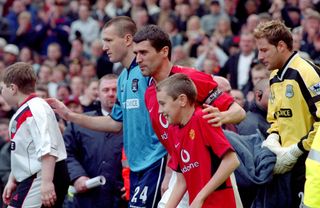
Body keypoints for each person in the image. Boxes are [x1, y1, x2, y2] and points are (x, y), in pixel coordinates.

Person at [47, 16, 167, 208]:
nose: (104, 47)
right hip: (137, 168)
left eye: (109, 40)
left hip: (156, 162)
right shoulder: (122, 78)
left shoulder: (148, 72)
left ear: (127, 40)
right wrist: (70, 115)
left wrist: (170, 170)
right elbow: (114, 122)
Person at [132, 24, 245, 207]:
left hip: (214, 175)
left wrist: (221, 117)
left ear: (164, 51)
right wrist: (171, 174)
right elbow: (172, 141)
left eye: (143, 52)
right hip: (183, 173)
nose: (138, 59)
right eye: (136, 53)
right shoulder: (149, 94)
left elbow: (238, 112)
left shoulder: (191, 79)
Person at [254, 20, 320, 207]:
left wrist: (297, 149)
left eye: (264, 50)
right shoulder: (275, 77)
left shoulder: (305, 72)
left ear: (281, 46)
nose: (259, 56)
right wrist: (273, 138)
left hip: (308, 164)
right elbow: (275, 118)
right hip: (284, 163)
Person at [156, 73, 240, 207]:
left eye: (162, 104)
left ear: (182, 100)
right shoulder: (172, 130)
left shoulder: (202, 118)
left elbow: (232, 161)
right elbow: (181, 181)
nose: (159, 111)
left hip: (220, 202)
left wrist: (200, 197)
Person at [1, 62, 69, 207]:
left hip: (41, 175)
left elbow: (48, 146)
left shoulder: (35, 108)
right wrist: (13, 178)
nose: (1, 93)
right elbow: (24, 151)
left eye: (2, 88)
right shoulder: (26, 108)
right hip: (33, 176)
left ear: (12, 88)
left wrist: (46, 182)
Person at [63, 74, 126, 208]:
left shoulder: (134, 123)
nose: (111, 94)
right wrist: (78, 176)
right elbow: (66, 152)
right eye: (106, 90)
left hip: (123, 198)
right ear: (98, 94)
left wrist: (132, 181)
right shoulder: (80, 123)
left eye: (115, 89)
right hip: (88, 198)